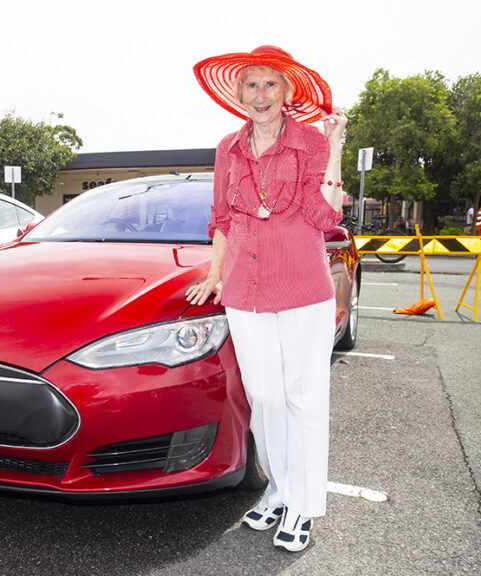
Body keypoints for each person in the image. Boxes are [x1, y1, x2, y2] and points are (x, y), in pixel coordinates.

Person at [187, 45, 345, 553]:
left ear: (287, 92)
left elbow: (328, 216)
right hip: (244, 290)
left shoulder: (310, 144)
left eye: (270, 85)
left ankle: (302, 504)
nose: (260, 95)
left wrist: (336, 146)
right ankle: (278, 489)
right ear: (238, 93)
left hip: (301, 287)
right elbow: (222, 218)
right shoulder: (227, 148)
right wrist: (214, 273)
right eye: (251, 85)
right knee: (265, 396)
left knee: (303, 397)